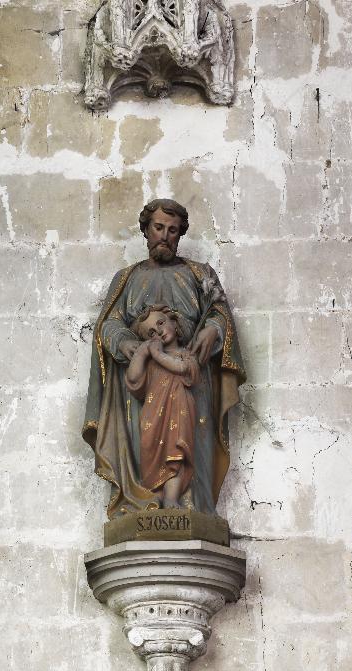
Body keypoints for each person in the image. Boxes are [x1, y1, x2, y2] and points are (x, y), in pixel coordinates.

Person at [82, 198, 246, 518]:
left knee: (185, 446)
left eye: (173, 231)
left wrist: (212, 329)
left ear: (180, 234)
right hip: (142, 391)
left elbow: (220, 313)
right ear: (146, 230)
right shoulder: (126, 279)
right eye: (158, 228)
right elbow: (108, 325)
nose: (165, 236)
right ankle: (146, 501)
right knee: (147, 446)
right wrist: (127, 343)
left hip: (190, 385)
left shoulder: (200, 274)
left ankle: (192, 509)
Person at [125, 305, 200, 509]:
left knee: (176, 454)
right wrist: (142, 353)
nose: (157, 331)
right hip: (153, 417)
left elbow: (185, 369)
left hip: (180, 411)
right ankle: (155, 497)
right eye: (150, 333)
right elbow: (132, 379)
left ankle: (171, 498)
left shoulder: (185, 355)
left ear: (174, 324)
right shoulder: (149, 361)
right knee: (153, 455)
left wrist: (157, 354)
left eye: (160, 323)